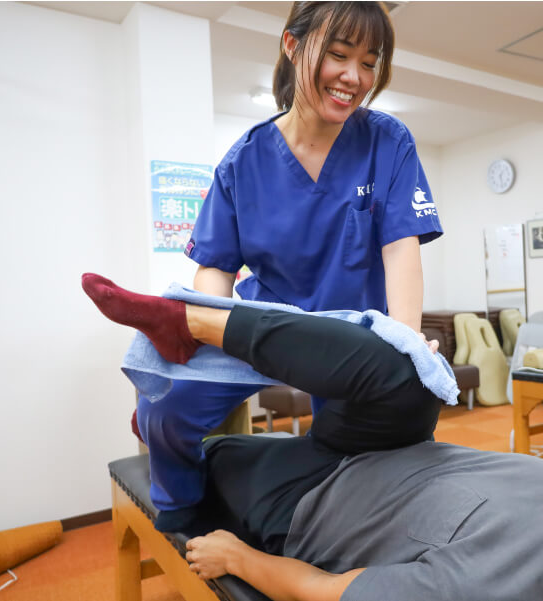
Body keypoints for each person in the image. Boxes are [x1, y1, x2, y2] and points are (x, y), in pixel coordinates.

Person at [82, 273, 543, 601]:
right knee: (403, 369)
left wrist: (242, 554)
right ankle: (187, 322)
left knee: (198, 453)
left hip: (303, 500)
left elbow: (322, 588)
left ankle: (165, 446)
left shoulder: (482, 590)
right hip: (386, 444)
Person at [137, 1, 444, 531]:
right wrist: (211, 332)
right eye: (339, 54)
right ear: (292, 45)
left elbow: (401, 250)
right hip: (268, 331)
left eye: (370, 62)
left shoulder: (388, 141)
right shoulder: (243, 161)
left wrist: (407, 343)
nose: (355, 76)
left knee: (379, 447)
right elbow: (214, 267)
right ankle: (181, 503)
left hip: (350, 340)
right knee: (163, 402)